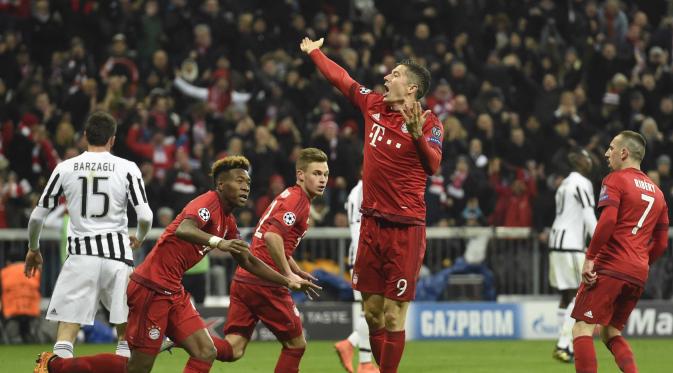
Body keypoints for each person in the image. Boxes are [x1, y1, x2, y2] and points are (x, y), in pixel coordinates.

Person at [34, 156, 320, 373]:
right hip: (150, 289)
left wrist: (288, 280)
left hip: (173, 291)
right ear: (221, 185)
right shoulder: (208, 202)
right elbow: (184, 228)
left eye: (247, 182)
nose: (246, 186)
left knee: (205, 351)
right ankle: (55, 365)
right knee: (137, 368)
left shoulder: (229, 222)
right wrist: (218, 243)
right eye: (238, 181)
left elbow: (248, 259)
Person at [301, 37, 443, 373]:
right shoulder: (374, 105)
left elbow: (433, 165)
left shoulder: (429, 122)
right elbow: (343, 80)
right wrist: (315, 52)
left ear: (411, 87)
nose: (386, 78)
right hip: (371, 224)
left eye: (394, 74)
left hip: (405, 228)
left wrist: (416, 133)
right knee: (371, 312)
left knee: (394, 314)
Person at [25, 111, 154, 359]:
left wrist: (33, 248)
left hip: (80, 256)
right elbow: (146, 216)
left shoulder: (66, 168)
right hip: (117, 257)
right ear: (112, 139)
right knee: (126, 334)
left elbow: (37, 216)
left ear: (84, 136)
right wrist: (139, 237)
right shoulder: (128, 168)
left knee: (67, 331)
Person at [215, 148, 328, 373]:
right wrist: (287, 275)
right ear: (301, 175)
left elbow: (280, 242)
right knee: (296, 345)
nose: (322, 179)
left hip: (245, 277)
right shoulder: (298, 201)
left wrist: (296, 270)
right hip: (266, 282)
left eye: (325, 174)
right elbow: (272, 236)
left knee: (233, 349)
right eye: (316, 173)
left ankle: (188, 339)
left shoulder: (290, 195)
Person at [571, 131, 669, 373]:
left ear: (624, 153)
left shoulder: (616, 179)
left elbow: (607, 222)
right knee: (610, 332)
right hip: (637, 272)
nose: (606, 153)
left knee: (582, 327)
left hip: (610, 265)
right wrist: (642, 262)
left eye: (611, 148)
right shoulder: (658, 194)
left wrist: (590, 258)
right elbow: (662, 243)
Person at [548, 149, 597, 363]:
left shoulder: (564, 184)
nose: (591, 162)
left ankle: (565, 345)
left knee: (567, 295)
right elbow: (589, 219)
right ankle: (563, 343)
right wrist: (602, 244)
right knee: (582, 294)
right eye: (588, 159)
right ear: (581, 162)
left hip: (556, 242)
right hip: (571, 244)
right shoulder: (582, 183)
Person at [334, 178, 379, 373]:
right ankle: (363, 361)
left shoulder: (357, 189)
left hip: (362, 254)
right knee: (372, 310)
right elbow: (360, 227)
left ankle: (355, 350)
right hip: (365, 255)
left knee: (373, 310)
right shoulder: (367, 188)